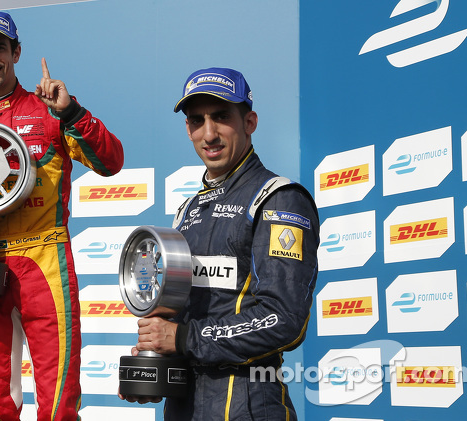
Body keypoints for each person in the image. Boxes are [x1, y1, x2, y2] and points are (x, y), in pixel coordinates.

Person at [0, 10, 124, 420]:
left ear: (16, 52)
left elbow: (111, 162)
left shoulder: (51, 109)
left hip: (44, 260)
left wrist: (71, 113)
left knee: (57, 404)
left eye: (0, 47)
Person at [119, 68, 319, 420]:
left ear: (250, 121)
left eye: (221, 117)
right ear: (188, 129)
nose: (209, 134)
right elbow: (180, 316)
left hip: (249, 403)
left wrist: (182, 339)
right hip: (184, 405)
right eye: (197, 120)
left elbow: (284, 319)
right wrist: (154, 367)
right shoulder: (190, 209)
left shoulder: (278, 199)